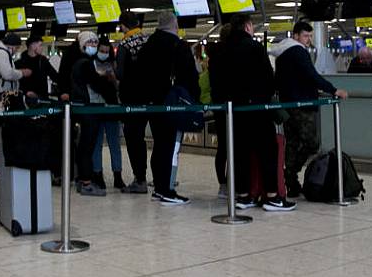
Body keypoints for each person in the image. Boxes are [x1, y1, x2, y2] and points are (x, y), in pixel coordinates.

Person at [210, 14, 296, 211]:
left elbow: (217, 84)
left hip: (233, 112)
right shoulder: (254, 48)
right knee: (267, 151)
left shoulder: (221, 50)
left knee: (240, 153)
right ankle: (273, 197)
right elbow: (268, 79)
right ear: (248, 26)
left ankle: (243, 196)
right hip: (257, 110)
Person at [271, 21, 348, 197]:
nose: (309, 39)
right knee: (311, 143)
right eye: (306, 36)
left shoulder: (282, 53)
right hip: (302, 105)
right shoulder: (298, 51)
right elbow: (311, 75)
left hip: (287, 104)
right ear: (296, 36)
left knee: (292, 143)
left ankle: (290, 183)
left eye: (311, 36)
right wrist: (333, 89)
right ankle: (290, 174)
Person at [137, 11, 199, 205]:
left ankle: (158, 187)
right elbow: (189, 76)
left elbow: (139, 73)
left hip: (152, 103)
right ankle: (166, 190)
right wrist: (194, 99)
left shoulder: (148, 44)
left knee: (159, 144)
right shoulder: (178, 45)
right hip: (172, 102)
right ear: (175, 25)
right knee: (170, 146)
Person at [69, 31, 115, 196]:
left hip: (82, 107)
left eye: (95, 43)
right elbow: (96, 84)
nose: (94, 46)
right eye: (91, 43)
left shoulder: (77, 62)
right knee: (87, 146)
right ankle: (87, 182)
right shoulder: (85, 63)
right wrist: (110, 89)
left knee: (84, 146)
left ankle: (83, 180)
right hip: (89, 108)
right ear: (83, 45)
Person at [115, 11, 149, 194]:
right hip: (151, 98)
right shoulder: (149, 40)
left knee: (133, 139)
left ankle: (140, 178)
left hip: (131, 99)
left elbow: (120, 74)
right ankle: (158, 179)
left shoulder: (124, 45)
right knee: (145, 140)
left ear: (123, 26)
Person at [91, 39, 124, 189]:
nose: (104, 53)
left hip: (111, 107)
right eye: (101, 50)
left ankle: (118, 175)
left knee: (114, 144)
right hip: (97, 106)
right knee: (97, 144)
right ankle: (98, 175)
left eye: (106, 51)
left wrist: (113, 79)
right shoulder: (90, 63)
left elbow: (118, 85)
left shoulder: (113, 63)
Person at [0, 32, 31, 99]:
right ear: (11, 46)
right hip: (2, 94)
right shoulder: (1, 53)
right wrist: (22, 73)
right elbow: (7, 74)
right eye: (16, 48)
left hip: (3, 93)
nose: (16, 51)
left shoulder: (0, 53)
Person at [15, 36, 58, 100]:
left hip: (42, 99)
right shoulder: (19, 63)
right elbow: (15, 82)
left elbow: (54, 76)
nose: (42, 48)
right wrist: (26, 92)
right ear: (32, 46)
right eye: (40, 45)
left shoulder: (43, 61)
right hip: (25, 100)